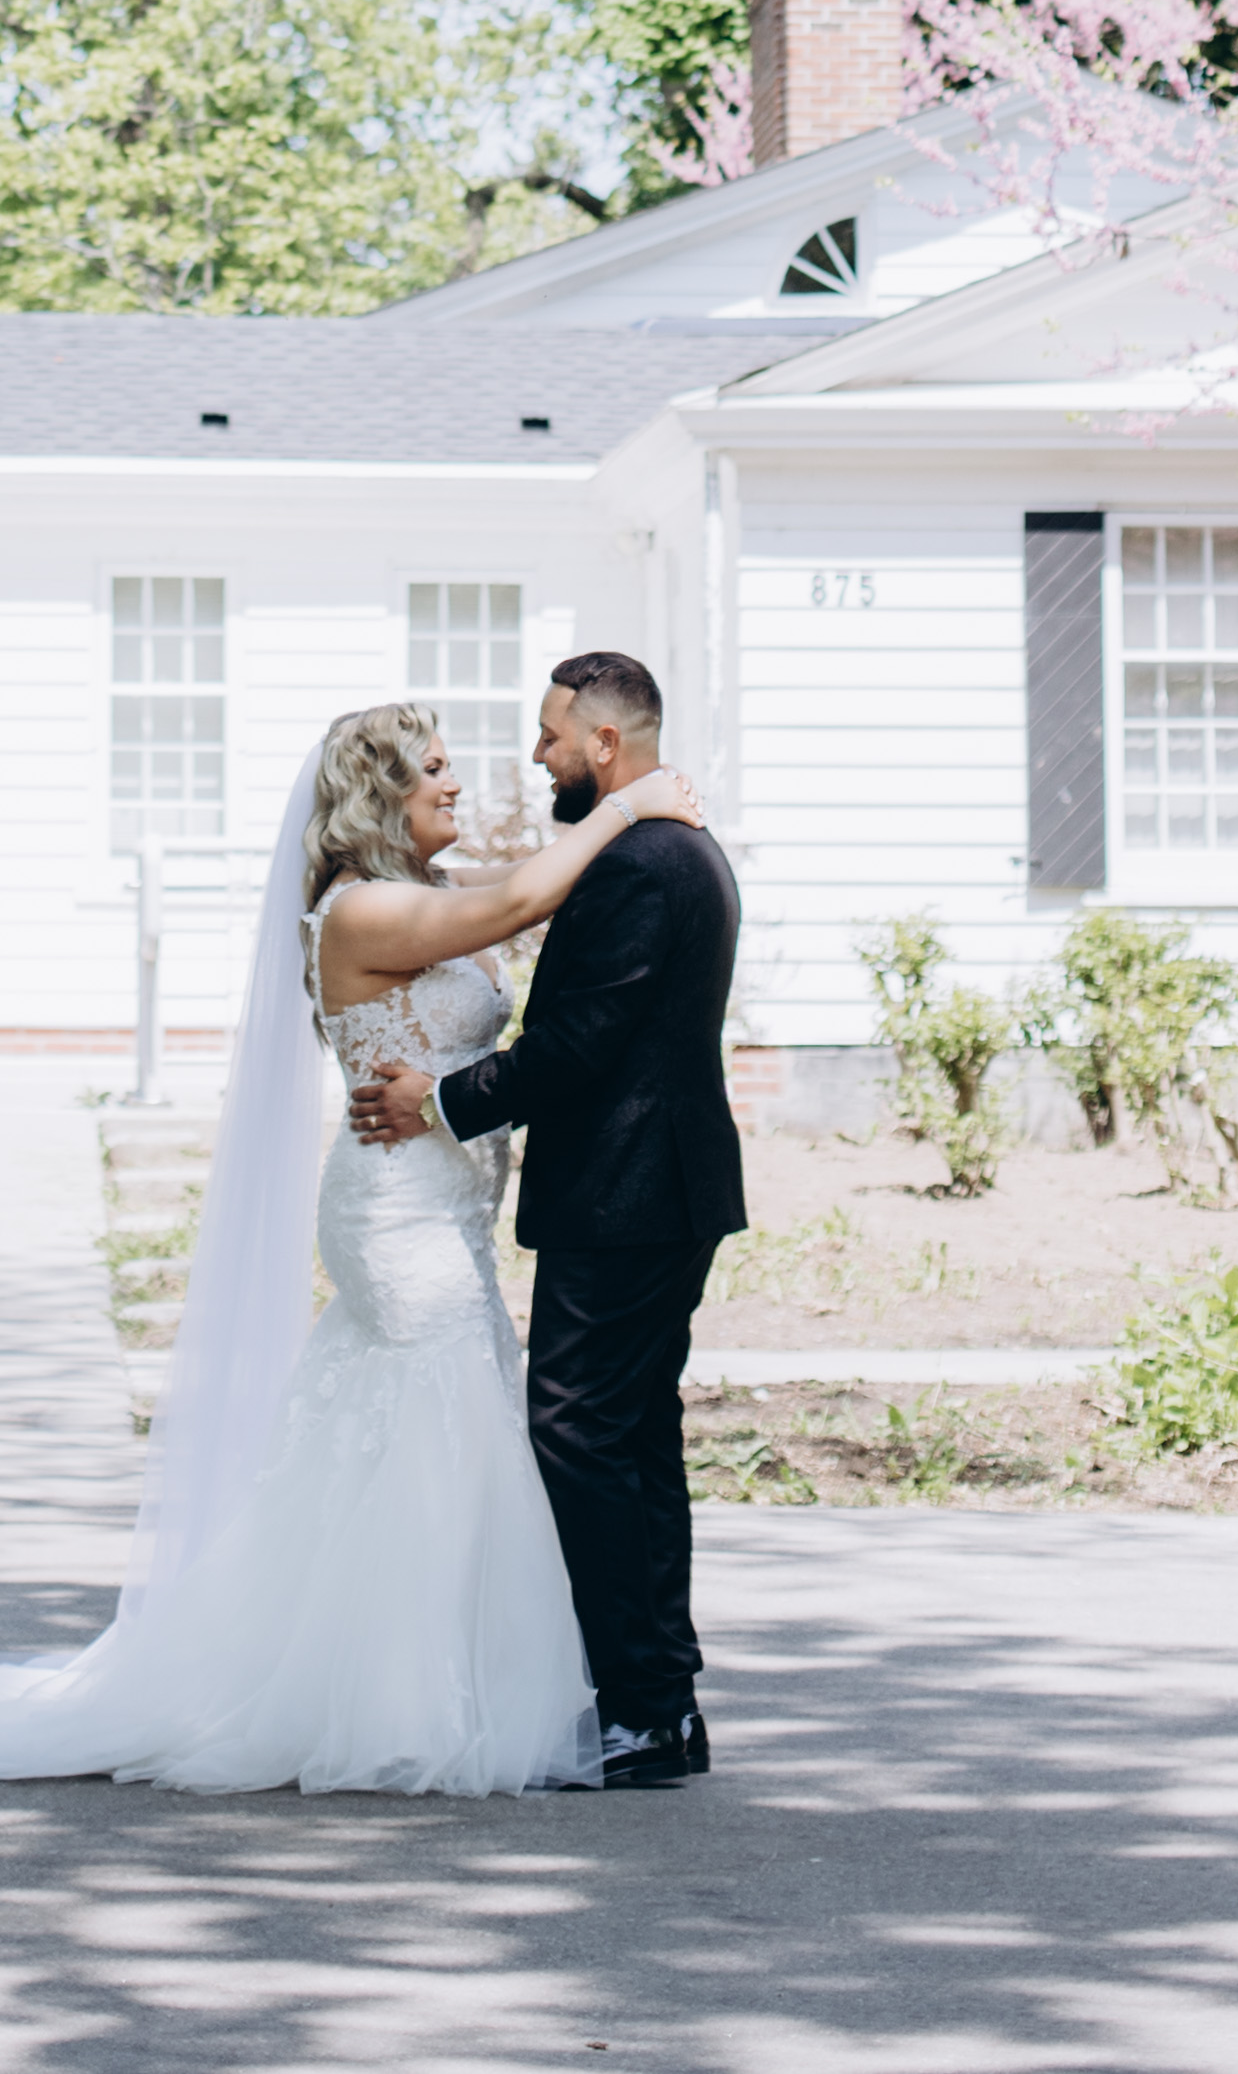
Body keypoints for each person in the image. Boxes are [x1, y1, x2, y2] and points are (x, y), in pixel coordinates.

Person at [0, 697, 709, 1796]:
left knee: (422, 1432)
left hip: (444, 1208)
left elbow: (514, 888)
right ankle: (405, 1702)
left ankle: (423, 1683)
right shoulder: (363, 911)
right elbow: (518, 899)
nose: (456, 782)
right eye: (433, 768)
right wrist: (633, 806)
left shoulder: (417, 893)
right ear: (379, 795)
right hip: (397, 1213)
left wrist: (619, 823)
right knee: (437, 1424)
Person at [349, 646, 744, 1792]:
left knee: (578, 1436)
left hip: (626, 1194)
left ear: (602, 744)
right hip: (655, 1190)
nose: (535, 754)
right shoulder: (669, 847)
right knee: (630, 1438)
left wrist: (442, 1100)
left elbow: (575, 1046)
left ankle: (640, 1711)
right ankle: (657, 1706)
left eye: (550, 736)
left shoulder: (641, 864)